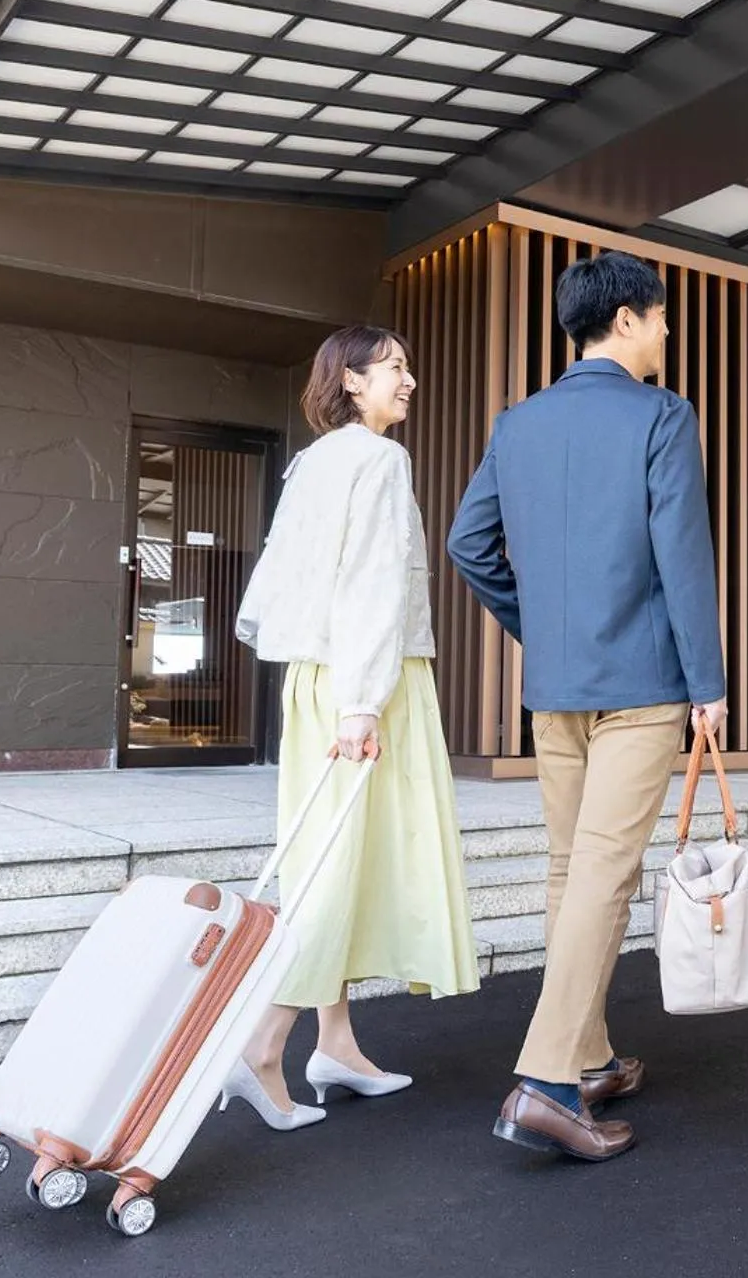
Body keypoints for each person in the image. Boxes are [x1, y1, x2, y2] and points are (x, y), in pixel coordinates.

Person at [448, 251, 727, 1163]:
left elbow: (469, 544)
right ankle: (545, 1082)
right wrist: (709, 686)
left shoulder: (517, 424)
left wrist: (541, 628)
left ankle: (593, 1053)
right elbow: (683, 558)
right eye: (661, 317)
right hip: (643, 688)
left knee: (574, 873)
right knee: (602, 878)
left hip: (557, 689)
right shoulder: (662, 415)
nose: (667, 332)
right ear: (628, 321)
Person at [226, 324, 482, 1131]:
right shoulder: (378, 459)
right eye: (395, 367)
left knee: (336, 855)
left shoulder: (314, 461)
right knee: (336, 870)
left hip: (317, 678)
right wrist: (365, 703)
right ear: (352, 380)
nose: (409, 379)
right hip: (368, 683)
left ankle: (335, 1044)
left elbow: (279, 581)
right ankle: (264, 1046)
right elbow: (372, 585)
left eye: (408, 365)